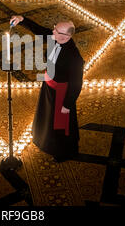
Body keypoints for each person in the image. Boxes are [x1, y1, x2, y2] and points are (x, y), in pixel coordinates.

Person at [10, 15, 84, 162]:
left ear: (66, 36)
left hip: (62, 95)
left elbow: (76, 84)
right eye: (54, 28)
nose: (52, 32)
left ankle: (63, 152)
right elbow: (39, 30)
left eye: (56, 31)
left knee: (60, 125)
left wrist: (66, 105)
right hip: (49, 86)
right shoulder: (55, 37)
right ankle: (43, 139)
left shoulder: (74, 57)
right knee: (47, 117)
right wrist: (22, 20)